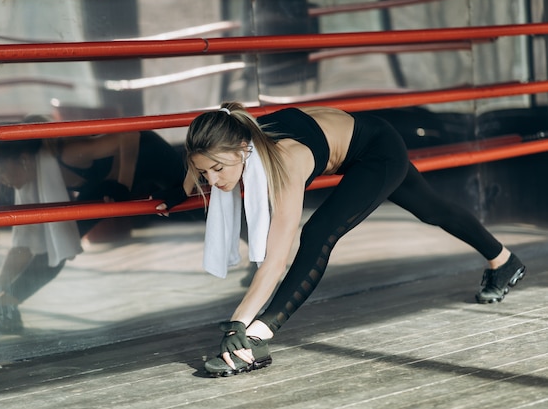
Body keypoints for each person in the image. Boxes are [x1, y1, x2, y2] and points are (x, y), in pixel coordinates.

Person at [155, 102, 527, 377]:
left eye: (218, 170)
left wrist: (240, 321)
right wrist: (179, 189)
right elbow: (197, 164)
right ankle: (503, 260)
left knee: (317, 233)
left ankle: (259, 336)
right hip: (360, 138)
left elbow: (277, 257)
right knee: (431, 209)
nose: (214, 181)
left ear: (242, 150)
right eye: (206, 173)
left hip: (377, 151)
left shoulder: (285, 161)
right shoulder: (231, 135)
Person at [0, 120, 186, 345]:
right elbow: (25, 245)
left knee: (199, 200)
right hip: (106, 185)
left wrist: (122, 183)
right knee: (61, 241)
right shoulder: (35, 175)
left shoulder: (68, 153)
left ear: (24, 160)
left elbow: (131, 135)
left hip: (152, 161)